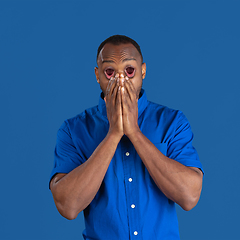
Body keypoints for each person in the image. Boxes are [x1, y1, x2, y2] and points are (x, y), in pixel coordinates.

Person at [49, 35, 204, 240]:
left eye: (129, 70)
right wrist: (114, 134)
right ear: (98, 75)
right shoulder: (73, 130)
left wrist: (134, 133)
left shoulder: (172, 122)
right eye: (110, 72)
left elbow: (189, 197)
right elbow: (67, 206)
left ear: (143, 71)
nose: (120, 80)